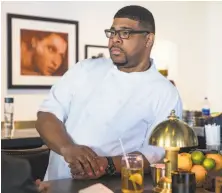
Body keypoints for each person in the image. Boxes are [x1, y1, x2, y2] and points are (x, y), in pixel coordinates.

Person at [36, 5, 183, 181]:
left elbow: (157, 154)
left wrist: (107, 165)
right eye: (112, 33)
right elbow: (47, 115)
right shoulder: (84, 69)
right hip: (57, 183)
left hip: (114, 186)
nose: (115, 39)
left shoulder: (165, 92)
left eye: (125, 33)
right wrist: (67, 148)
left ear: (148, 39)